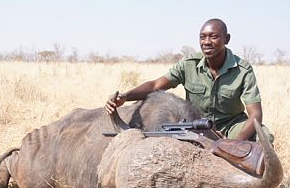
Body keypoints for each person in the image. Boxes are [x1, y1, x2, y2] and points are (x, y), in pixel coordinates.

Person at [105, 18, 273, 142]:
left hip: (232, 126)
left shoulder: (243, 69)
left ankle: (258, 185)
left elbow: (256, 114)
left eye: (213, 37)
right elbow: (156, 85)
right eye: (202, 37)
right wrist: (126, 96)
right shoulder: (188, 64)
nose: (207, 42)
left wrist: (234, 143)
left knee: (264, 136)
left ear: (226, 39)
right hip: (196, 124)